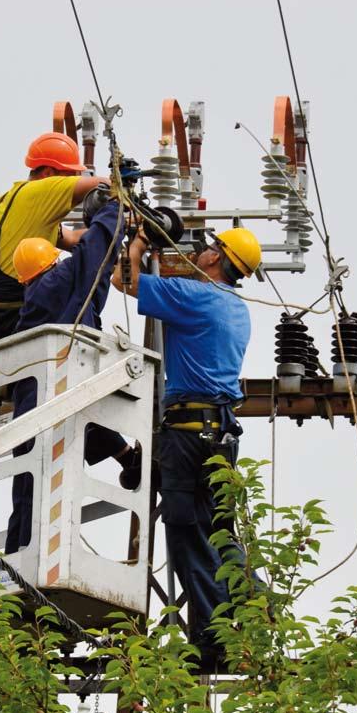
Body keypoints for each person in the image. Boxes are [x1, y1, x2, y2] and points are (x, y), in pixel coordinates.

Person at [111, 226, 262, 668]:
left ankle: (211, 638)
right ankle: (257, 602)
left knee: (185, 534)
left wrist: (137, 244)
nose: (203, 252)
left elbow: (124, 280)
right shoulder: (236, 307)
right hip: (222, 436)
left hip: (188, 433)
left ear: (218, 258)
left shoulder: (193, 297)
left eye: (210, 248)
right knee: (219, 531)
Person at [5, 195, 142, 554]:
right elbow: (96, 253)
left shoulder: (39, 301)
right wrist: (112, 209)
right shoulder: (60, 281)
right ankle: (33, 567)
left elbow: (92, 279)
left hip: (34, 405)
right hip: (55, 397)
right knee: (44, 483)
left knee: (27, 489)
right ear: (52, 264)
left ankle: (15, 565)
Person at [0, 132, 110, 341]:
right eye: (70, 175)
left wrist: (115, 232)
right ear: (49, 172)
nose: (74, 179)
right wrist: (122, 199)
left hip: (7, 316)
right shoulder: (39, 191)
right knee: (77, 283)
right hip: (14, 310)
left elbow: (73, 239)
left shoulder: (26, 205)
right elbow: (105, 185)